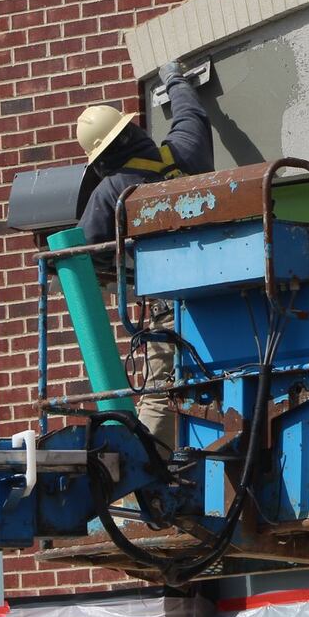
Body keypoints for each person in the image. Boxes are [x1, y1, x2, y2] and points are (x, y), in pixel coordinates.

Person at [74, 63, 214, 453]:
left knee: (159, 395)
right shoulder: (185, 152)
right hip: (224, 298)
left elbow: (82, 252)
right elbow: (192, 114)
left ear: (101, 157)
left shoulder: (112, 191)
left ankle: (145, 480)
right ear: (132, 130)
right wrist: (175, 80)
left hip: (170, 312)